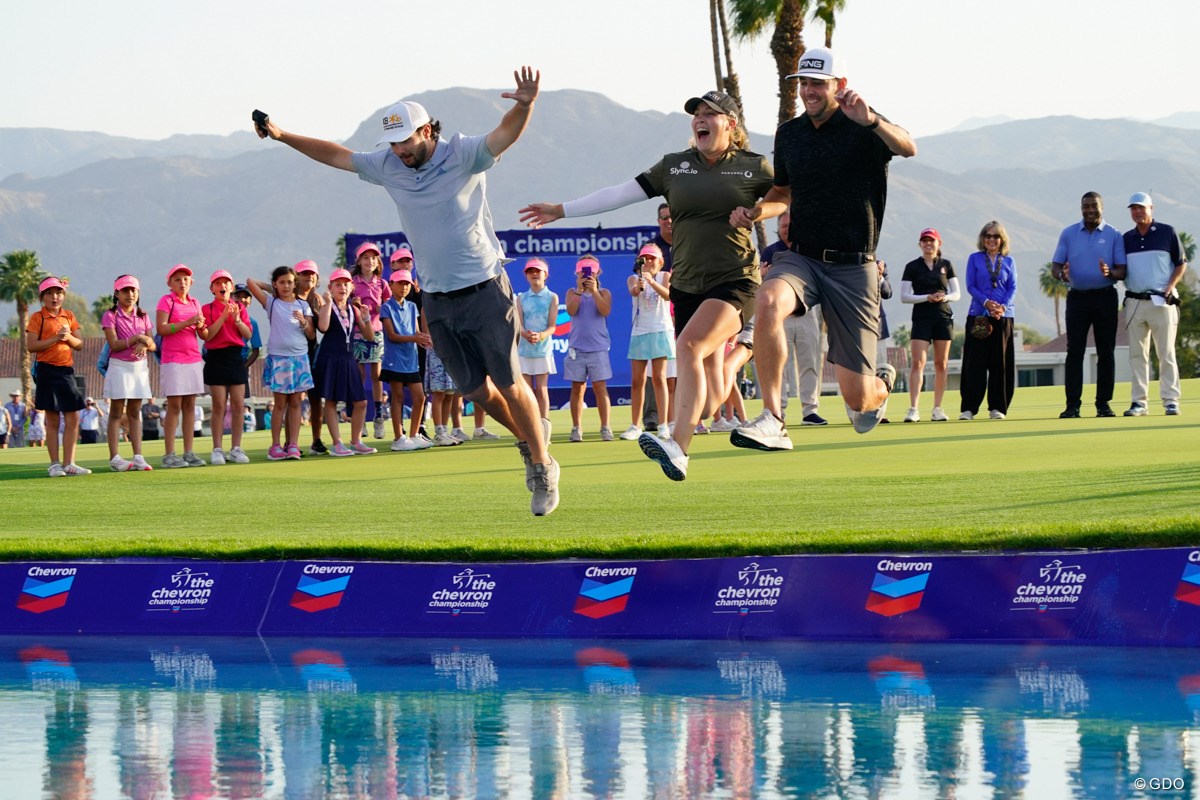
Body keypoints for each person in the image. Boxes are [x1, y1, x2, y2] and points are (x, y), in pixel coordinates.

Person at [255, 66, 558, 515]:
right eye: (393, 143)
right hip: (435, 297)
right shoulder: (387, 164)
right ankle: (531, 438)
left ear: (427, 130)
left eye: (406, 142)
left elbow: (504, 133)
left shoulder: (464, 153)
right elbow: (335, 154)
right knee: (476, 392)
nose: (399, 151)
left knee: (512, 384)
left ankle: (541, 466)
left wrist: (526, 104)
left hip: (485, 287)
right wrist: (281, 135)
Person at [521, 89, 774, 480]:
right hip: (689, 286)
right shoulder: (675, 166)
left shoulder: (753, 166)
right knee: (707, 403)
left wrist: (759, 211)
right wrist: (561, 210)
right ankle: (741, 352)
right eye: (696, 114)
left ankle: (678, 447)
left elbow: (786, 196)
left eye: (710, 114)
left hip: (735, 280)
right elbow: (619, 193)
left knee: (688, 346)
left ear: (731, 124)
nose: (700, 119)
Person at [730, 47, 916, 453]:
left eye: (818, 83)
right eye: (803, 83)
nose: (808, 91)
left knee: (858, 399)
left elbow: (907, 147)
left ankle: (881, 384)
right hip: (804, 258)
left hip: (854, 268)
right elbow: (783, 191)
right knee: (767, 299)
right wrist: (760, 210)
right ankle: (774, 420)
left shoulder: (865, 126)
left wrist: (872, 120)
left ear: (840, 86)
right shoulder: (790, 134)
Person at [1051, 191, 1127, 418]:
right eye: (1086, 206)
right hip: (1077, 298)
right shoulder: (1069, 233)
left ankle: (1103, 404)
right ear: (1081, 208)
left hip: (1105, 297)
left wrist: (1110, 272)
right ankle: (1072, 405)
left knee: (1106, 351)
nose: (1090, 210)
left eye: (1094, 205)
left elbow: (1121, 270)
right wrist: (1062, 275)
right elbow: (1055, 268)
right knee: (1074, 351)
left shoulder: (1114, 234)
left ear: (1102, 207)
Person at [1121, 192, 1187, 417]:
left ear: (1151, 208)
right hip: (1134, 302)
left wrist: (1170, 286)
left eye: (1141, 208)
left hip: (1163, 301)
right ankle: (1139, 402)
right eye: (1133, 208)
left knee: (1166, 353)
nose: (1137, 212)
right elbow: (1121, 269)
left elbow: (1180, 264)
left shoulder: (1167, 232)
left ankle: (1171, 400)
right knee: (1137, 355)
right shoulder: (1126, 238)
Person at [759, 210, 827, 426]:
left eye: (790, 224)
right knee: (780, 364)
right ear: (777, 228)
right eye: (783, 225)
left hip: (807, 311)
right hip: (781, 316)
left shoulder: (807, 249)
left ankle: (810, 410)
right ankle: (779, 410)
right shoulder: (770, 252)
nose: (786, 228)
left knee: (810, 362)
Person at [246, 265, 317, 460]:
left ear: (295, 284)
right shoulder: (272, 303)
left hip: (300, 359)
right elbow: (251, 282)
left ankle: (293, 445)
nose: (286, 286)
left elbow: (311, 334)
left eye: (290, 282)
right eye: (282, 282)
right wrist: (273, 289)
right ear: (276, 284)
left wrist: (303, 321)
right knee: (280, 403)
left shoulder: (303, 306)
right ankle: (275, 446)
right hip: (278, 358)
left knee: (296, 402)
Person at [25, 276, 91, 476]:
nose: (55, 297)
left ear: (64, 295)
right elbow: (31, 346)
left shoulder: (69, 316)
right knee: (52, 418)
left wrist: (68, 336)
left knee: (73, 417)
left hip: (66, 371)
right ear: (42, 297)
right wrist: (55, 338)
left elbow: (79, 345)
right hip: (46, 371)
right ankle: (54, 464)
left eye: (59, 293)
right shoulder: (38, 318)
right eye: (50, 293)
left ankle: (69, 463)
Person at [313, 268, 376, 456]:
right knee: (331, 401)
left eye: (346, 284)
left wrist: (366, 318)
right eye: (338, 284)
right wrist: (326, 304)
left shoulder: (354, 309)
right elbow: (322, 328)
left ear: (351, 287)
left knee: (361, 402)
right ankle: (337, 443)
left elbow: (369, 336)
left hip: (349, 359)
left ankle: (356, 441)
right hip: (330, 358)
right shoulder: (328, 306)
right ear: (330, 288)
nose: (342, 287)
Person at [959, 221, 1018, 420]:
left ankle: (997, 407)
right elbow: (970, 285)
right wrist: (986, 303)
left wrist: (1002, 307)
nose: (991, 239)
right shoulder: (974, 259)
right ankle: (969, 408)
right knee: (974, 364)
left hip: (1003, 317)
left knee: (1000, 364)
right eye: (988, 235)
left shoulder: (1009, 262)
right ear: (983, 239)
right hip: (979, 315)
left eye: (995, 236)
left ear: (1002, 240)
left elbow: (1013, 288)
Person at [901, 228, 959, 422]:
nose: (928, 243)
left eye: (931, 240)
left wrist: (944, 297)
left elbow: (956, 293)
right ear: (920, 244)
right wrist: (927, 297)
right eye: (924, 241)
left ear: (938, 243)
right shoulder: (912, 266)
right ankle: (913, 409)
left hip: (943, 317)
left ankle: (937, 408)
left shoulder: (946, 265)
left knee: (941, 364)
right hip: (921, 318)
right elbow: (904, 296)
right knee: (918, 362)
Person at [100, 275, 156, 471]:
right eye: (125, 291)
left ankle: (138, 456)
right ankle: (115, 458)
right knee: (116, 412)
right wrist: (137, 338)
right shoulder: (110, 315)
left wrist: (143, 341)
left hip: (139, 368)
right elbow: (114, 344)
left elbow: (153, 344)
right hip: (119, 366)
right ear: (116, 294)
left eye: (133, 290)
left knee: (134, 412)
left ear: (138, 293)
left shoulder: (143, 316)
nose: (130, 294)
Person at [156, 264, 209, 468]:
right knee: (175, 405)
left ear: (191, 283)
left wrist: (201, 326)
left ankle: (189, 452)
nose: (182, 282)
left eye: (186, 279)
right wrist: (188, 322)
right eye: (177, 279)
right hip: (173, 359)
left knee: (190, 406)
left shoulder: (195, 302)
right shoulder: (166, 301)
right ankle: (169, 455)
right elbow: (161, 329)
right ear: (170, 284)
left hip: (193, 359)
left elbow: (202, 334)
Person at [620, 243, 673, 440]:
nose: (649, 261)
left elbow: (668, 296)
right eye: (645, 258)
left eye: (652, 258)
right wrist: (641, 284)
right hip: (639, 331)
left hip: (660, 330)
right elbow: (634, 292)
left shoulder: (665, 276)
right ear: (639, 261)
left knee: (659, 379)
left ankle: (663, 425)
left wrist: (651, 282)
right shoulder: (633, 278)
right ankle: (635, 425)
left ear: (660, 261)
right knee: (637, 381)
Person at [201, 269, 254, 464]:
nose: (222, 286)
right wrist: (223, 316)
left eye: (226, 283)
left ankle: (236, 448)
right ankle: (217, 449)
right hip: (216, 356)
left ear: (231, 287)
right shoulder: (207, 309)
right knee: (219, 405)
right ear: (212, 288)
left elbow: (247, 335)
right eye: (218, 283)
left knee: (239, 404)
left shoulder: (239, 307)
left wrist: (237, 319)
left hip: (235, 357)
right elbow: (207, 335)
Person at [379, 260, 433, 451]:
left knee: (420, 397)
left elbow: (416, 331)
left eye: (407, 283)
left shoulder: (412, 306)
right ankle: (398, 438)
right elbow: (392, 336)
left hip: (411, 360)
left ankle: (413, 435)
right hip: (394, 360)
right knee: (398, 397)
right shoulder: (386, 307)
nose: (404, 287)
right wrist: (415, 338)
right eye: (400, 283)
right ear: (391, 285)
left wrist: (423, 338)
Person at [564, 255, 614, 443]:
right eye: (583, 271)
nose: (587, 275)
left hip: (598, 349)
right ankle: (577, 428)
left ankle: (605, 427)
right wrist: (579, 290)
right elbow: (570, 311)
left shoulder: (604, 292)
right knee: (577, 388)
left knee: (601, 388)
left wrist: (594, 292)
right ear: (577, 272)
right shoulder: (571, 292)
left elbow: (605, 311)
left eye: (591, 271)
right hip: (577, 349)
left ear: (598, 272)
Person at [642, 203, 675, 432]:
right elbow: (639, 281)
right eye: (664, 218)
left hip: (689, 308)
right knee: (655, 372)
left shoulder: (689, 241)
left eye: (672, 217)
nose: (668, 221)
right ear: (658, 221)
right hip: (658, 316)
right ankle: (653, 418)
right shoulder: (651, 248)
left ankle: (684, 415)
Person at [516, 257, 558, 420]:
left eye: (537, 271)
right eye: (530, 271)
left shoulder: (552, 297)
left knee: (541, 389)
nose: (534, 274)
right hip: (524, 350)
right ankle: (530, 425)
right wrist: (525, 334)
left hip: (543, 350)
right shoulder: (521, 298)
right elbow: (518, 326)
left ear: (545, 274)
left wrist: (540, 336)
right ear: (526, 275)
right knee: (526, 391)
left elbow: (552, 326)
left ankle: (544, 424)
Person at [294, 259, 328, 453]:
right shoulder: (286, 296)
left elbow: (323, 329)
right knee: (294, 400)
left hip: (313, 352)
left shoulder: (317, 299)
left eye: (312, 274)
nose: (309, 277)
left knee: (316, 400)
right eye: (304, 273)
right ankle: (292, 443)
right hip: (292, 353)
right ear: (296, 277)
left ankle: (316, 440)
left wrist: (323, 306)